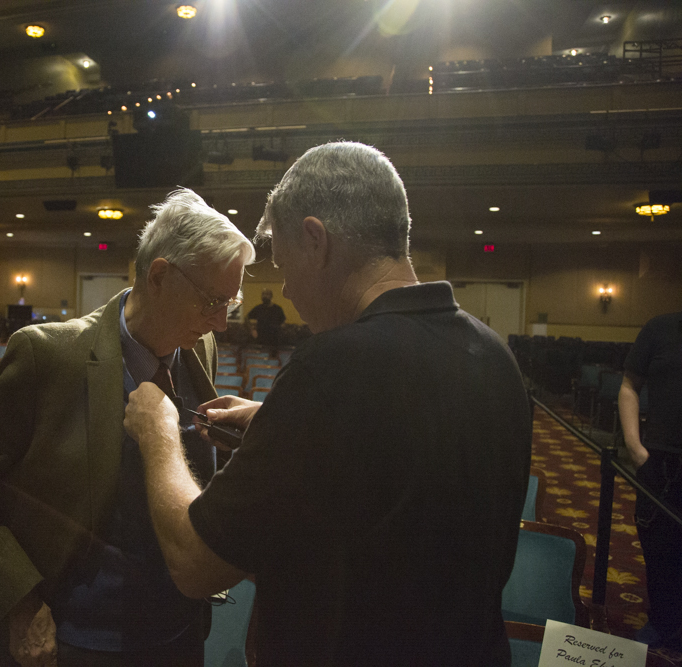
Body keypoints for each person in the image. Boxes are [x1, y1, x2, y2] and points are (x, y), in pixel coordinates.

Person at [124, 141, 532, 666]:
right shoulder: (494, 354)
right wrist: (279, 425)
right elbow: (398, 480)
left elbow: (195, 563)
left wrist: (158, 432)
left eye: (285, 263)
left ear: (315, 240)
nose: (288, 289)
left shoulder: (332, 367)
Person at [0, 188, 255, 667]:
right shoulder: (47, 355)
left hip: (177, 632)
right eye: (211, 301)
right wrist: (20, 599)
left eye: (230, 302)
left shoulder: (198, 346)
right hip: (71, 641)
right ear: (160, 277)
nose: (221, 322)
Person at [619, 310, 682, 651]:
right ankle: (662, 620)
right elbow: (629, 385)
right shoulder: (659, 328)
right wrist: (635, 447)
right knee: (658, 545)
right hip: (659, 459)